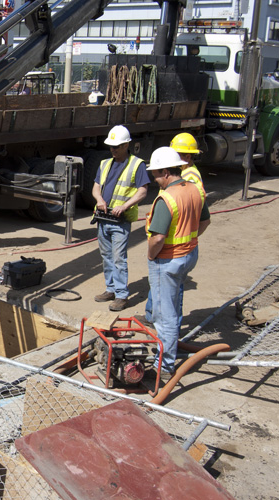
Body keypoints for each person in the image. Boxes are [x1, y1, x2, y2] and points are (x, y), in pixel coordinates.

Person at [145, 147, 211, 375]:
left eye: (155, 174)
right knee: (174, 304)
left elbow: (158, 237)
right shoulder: (195, 190)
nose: (155, 179)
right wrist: (189, 241)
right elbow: (205, 222)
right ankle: (170, 348)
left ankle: (164, 365)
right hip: (189, 254)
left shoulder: (167, 198)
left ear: (165, 172)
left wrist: (151, 255)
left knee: (165, 316)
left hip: (168, 260)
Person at [144, 132, 205, 324]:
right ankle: (153, 317)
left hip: (172, 251)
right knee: (165, 293)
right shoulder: (183, 176)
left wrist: (187, 237)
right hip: (177, 248)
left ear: (186, 156)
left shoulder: (189, 179)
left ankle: (166, 342)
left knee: (170, 302)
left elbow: (200, 215)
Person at [92, 125, 150, 311]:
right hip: (103, 218)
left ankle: (122, 295)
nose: (113, 150)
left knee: (118, 258)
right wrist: (99, 199)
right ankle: (111, 289)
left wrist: (124, 206)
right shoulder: (105, 164)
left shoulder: (137, 164)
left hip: (120, 221)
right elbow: (96, 187)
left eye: (116, 146)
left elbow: (143, 191)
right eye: (111, 146)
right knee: (106, 256)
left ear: (126, 145)